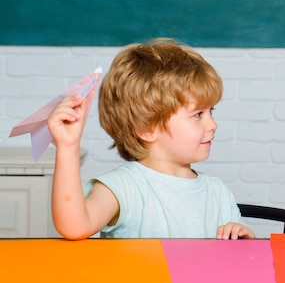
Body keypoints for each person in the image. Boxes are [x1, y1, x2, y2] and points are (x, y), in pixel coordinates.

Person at [48, 38, 255, 240]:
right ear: (146, 128)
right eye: (198, 114)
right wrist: (68, 147)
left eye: (212, 111)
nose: (212, 125)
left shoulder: (218, 192)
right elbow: (74, 227)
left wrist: (244, 239)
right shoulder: (123, 187)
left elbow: (243, 261)